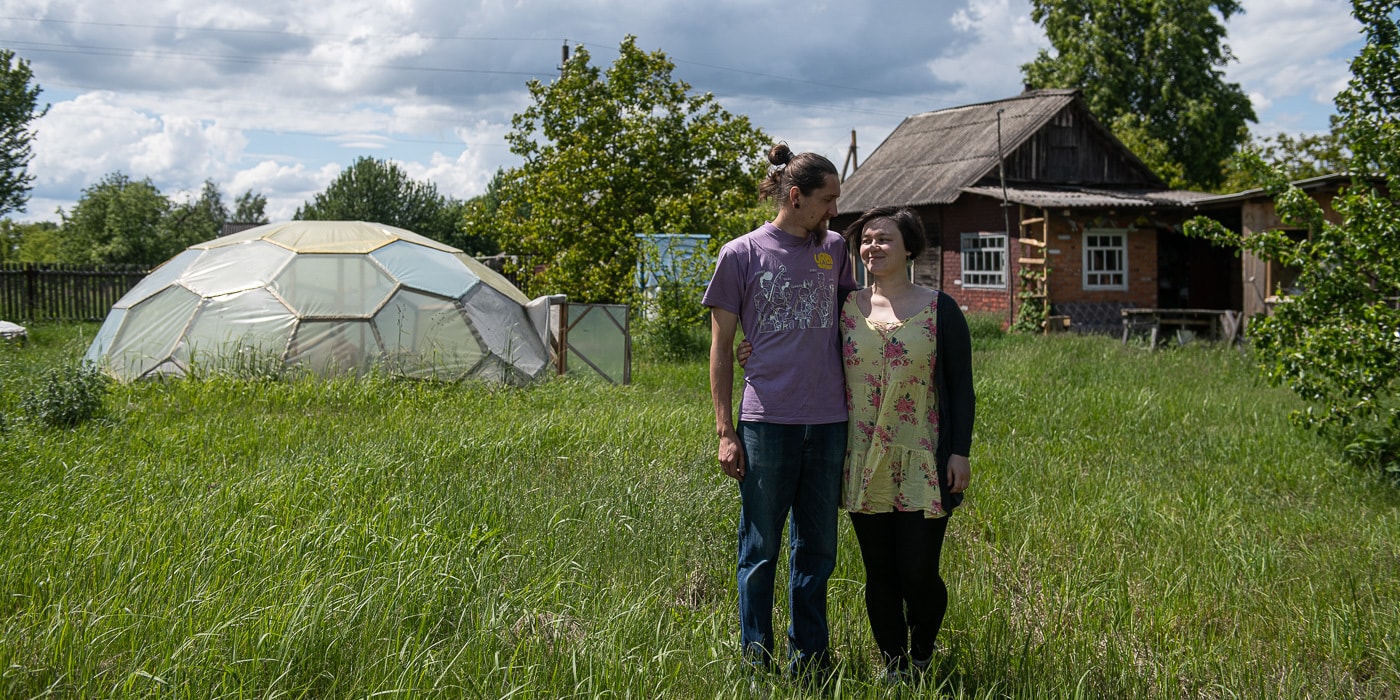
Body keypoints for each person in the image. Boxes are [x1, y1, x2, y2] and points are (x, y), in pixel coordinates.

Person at [737, 205, 975, 683]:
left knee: (918, 573)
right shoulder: (844, 306)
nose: (872, 247)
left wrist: (960, 452)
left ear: (910, 248)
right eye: (866, 239)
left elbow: (961, 386)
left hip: (921, 457)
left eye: (884, 239)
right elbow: (796, 335)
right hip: (862, 458)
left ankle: (922, 655)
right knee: (879, 573)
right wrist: (753, 347)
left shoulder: (940, 308)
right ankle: (895, 666)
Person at [702, 143, 858, 678]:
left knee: (818, 550)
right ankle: (756, 661)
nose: (834, 210)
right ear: (795, 197)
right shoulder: (740, 254)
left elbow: (852, 325)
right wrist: (725, 430)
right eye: (827, 199)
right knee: (761, 547)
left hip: (829, 421)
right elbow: (722, 349)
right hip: (766, 423)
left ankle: (810, 663)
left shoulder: (835, 249)